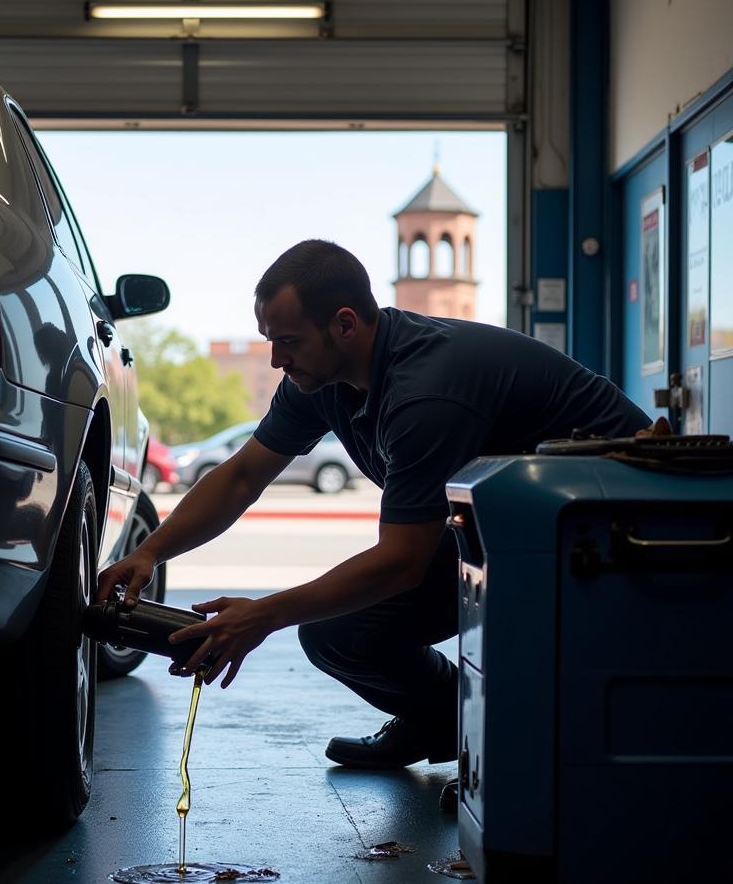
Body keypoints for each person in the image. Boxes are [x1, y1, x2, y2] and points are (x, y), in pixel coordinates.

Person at [95, 239, 650, 777]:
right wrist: (150, 551)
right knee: (337, 630)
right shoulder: (321, 379)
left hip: (616, 527)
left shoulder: (425, 390)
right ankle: (444, 721)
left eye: (287, 340)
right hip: (515, 525)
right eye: (268, 339)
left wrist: (263, 615)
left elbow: (402, 561)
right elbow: (242, 476)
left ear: (344, 324)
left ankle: (512, 753)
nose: (275, 359)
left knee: (495, 623)